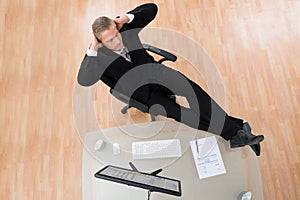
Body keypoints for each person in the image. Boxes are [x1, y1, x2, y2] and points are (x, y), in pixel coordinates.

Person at [77, 3, 264, 156]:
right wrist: (92, 48)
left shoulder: (125, 29)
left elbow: (152, 8)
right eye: (110, 40)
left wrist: (125, 18)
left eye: (116, 35)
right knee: (183, 114)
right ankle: (236, 131)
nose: (117, 41)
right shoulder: (98, 59)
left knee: (195, 92)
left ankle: (236, 133)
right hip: (144, 94)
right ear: (100, 42)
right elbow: (84, 80)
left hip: (156, 73)